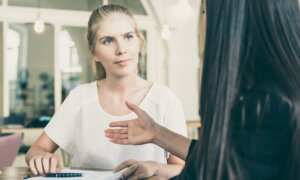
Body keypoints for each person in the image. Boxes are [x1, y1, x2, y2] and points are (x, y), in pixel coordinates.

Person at [105, 0, 300, 179]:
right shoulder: (280, 96)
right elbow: (230, 156)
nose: (201, 26)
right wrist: (157, 133)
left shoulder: (265, 108)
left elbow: (214, 170)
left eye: (205, 11)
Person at [25, 4, 187, 179]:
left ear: (139, 42)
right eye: (108, 41)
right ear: (94, 53)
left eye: (128, 37)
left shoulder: (165, 100)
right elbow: (36, 150)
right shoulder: (79, 98)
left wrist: (154, 167)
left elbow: (182, 168)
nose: (121, 49)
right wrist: (41, 157)